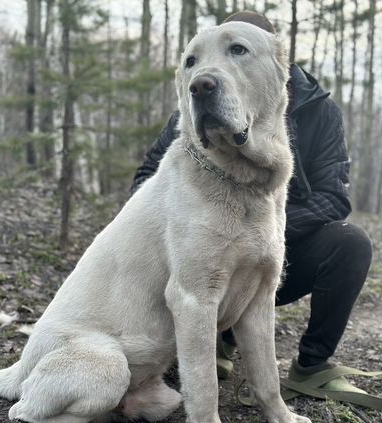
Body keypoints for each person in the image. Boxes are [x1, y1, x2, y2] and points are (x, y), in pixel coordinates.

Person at [130, 11, 373, 396]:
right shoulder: (203, 99)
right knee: (203, 261)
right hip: (208, 255)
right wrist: (203, 229)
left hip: (282, 250)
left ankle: (311, 366)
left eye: (240, 50)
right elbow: (146, 181)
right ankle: (219, 337)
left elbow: (333, 196)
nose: (222, 66)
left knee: (350, 243)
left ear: (276, 59)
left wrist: (260, 233)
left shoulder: (319, 111)